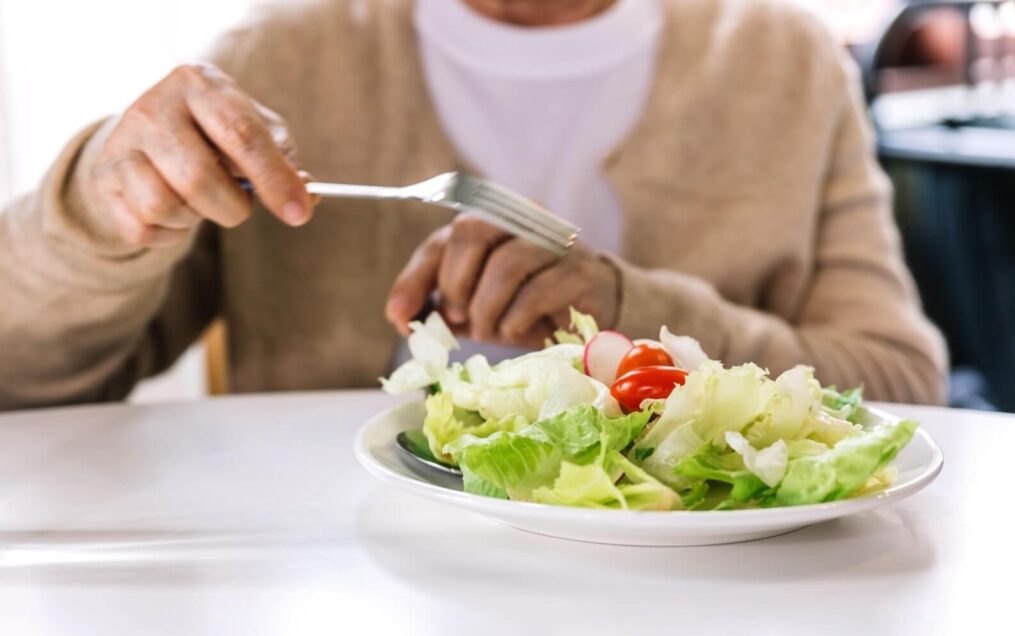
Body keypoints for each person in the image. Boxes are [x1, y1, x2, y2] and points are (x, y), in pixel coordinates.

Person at [0, 0, 947, 410]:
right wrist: (88, 213)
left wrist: (627, 317)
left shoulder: (783, 62)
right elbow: (22, 380)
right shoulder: (284, 53)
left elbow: (902, 388)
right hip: (334, 602)